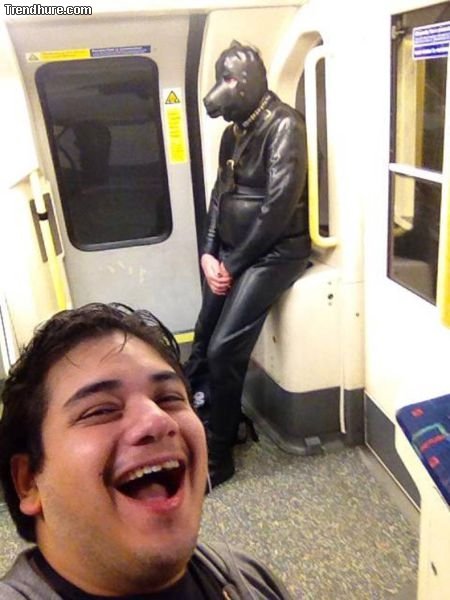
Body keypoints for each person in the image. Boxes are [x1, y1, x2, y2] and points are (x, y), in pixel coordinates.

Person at [0, 303, 291, 599]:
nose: (158, 420)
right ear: (29, 482)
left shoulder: (250, 577)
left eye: (169, 398)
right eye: (101, 410)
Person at [184, 41, 311, 487]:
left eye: (230, 79)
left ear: (253, 82)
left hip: (277, 251)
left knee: (224, 349)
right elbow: (220, 196)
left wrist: (233, 264)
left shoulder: (284, 126)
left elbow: (277, 209)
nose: (221, 89)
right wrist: (208, 252)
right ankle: (205, 414)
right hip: (233, 253)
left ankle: (220, 455)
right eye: (220, 78)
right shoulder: (233, 133)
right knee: (203, 337)